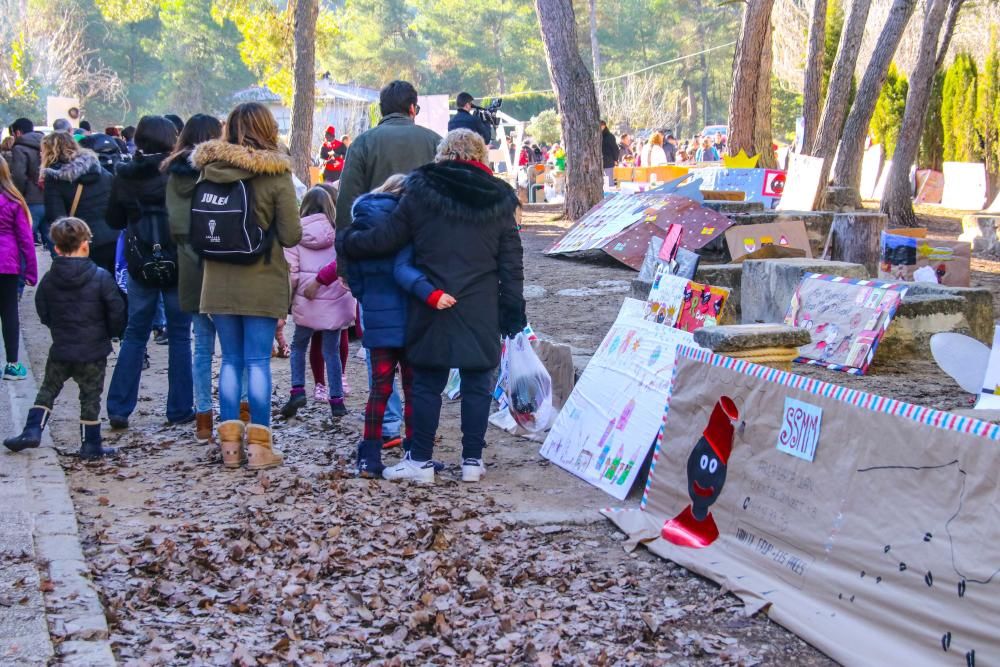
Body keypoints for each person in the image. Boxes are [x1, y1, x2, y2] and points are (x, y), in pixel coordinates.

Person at [340, 129, 526, 484]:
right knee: (477, 383)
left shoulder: (420, 190)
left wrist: (350, 240)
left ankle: (420, 461)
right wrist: (512, 311)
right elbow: (511, 263)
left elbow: (387, 238)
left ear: (442, 155)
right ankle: (472, 460)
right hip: (480, 304)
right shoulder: (501, 198)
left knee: (426, 383)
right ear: (480, 158)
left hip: (431, 301)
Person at [190, 102, 301, 470]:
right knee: (257, 362)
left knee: (230, 361)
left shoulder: (208, 170)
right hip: (261, 278)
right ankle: (259, 446)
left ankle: (230, 447)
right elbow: (290, 234)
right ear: (268, 129)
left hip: (217, 281)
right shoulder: (275, 173)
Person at [335, 80, 441, 445]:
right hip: (424, 254)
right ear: (413, 107)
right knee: (420, 339)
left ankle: (389, 422)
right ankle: (419, 425)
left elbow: (345, 205)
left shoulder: (363, 144)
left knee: (377, 338)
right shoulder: (431, 141)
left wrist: (346, 262)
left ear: (381, 109)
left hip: (374, 254)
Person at [343, 173, 456, 476]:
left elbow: (351, 270)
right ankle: (414, 452)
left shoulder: (362, 223)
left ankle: (369, 456)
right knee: (412, 387)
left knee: (379, 389)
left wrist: (364, 296)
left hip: (377, 318)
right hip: (411, 318)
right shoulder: (410, 224)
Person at [3, 217, 125, 458]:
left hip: (62, 347)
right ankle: (90, 444)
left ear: (56, 248)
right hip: (93, 350)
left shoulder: (50, 279)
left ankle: (32, 430)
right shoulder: (101, 277)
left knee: (48, 389)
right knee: (91, 396)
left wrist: (56, 327)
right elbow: (116, 310)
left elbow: (42, 308)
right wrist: (111, 333)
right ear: (86, 244)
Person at [105, 115, 193, 430]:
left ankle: (118, 407)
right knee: (181, 335)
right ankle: (180, 408)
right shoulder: (181, 174)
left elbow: (113, 220)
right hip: (178, 261)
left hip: (140, 261)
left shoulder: (124, 175)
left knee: (135, 333)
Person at [164, 113, 246, 444]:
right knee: (232, 347)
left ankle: (203, 419)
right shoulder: (220, 171)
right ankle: (237, 414)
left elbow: (178, 227)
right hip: (223, 264)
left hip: (190, 265)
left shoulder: (173, 175)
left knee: (201, 347)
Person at [280, 187, 355, 421]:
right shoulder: (339, 232)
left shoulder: (295, 237)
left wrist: (289, 301)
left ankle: (297, 390)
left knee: (299, 346)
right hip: (334, 301)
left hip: (306, 300)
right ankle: (336, 400)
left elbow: (291, 273)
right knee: (331, 351)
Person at [41, 132, 115, 271]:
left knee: (87, 287)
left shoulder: (55, 179)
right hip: (112, 237)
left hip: (81, 241)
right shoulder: (99, 169)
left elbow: (56, 217)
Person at [0, 155, 37, 380]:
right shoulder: (13, 201)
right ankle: (12, 364)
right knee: (9, 312)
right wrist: (31, 271)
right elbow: (25, 239)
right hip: (7, 263)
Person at [8, 118, 45, 248]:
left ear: (17, 132)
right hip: (49, 198)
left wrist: (17, 195)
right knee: (54, 242)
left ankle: (23, 269)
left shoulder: (19, 148)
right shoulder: (47, 144)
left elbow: (18, 175)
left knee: (23, 242)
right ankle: (64, 267)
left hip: (30, 200)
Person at [600, 120, 619, 186]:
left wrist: (615, 159)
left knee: (609, 182)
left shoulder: (609, 136)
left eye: (601, 126)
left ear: (604, 126)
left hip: (608, 162)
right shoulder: (596, 136)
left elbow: (615, 149)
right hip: (598, 163)